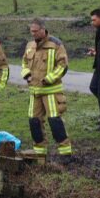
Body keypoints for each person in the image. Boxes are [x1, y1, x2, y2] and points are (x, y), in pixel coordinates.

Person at [22, 19, 73, 157]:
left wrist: (48, 79)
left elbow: (63, 65)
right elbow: (24, 63)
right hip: (34, 92)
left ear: (43, 29)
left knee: (55, 121)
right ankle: (40, 154)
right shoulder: (30, 45)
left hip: (51, 92)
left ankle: (65, 153)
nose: (33, 34)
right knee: (34, 122)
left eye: (35, 31)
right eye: (31, 31)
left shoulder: (56, 44)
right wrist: (26, 75)